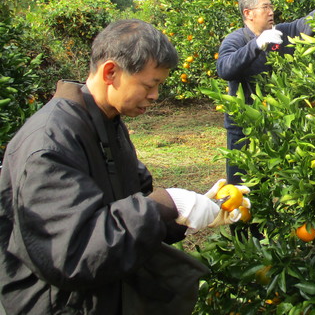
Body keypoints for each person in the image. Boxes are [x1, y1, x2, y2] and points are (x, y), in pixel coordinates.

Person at [0, 19, 248, 315]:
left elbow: (129, 206)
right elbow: (72, 252)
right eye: (150, 84)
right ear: (111, 73)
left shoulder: (106, 122)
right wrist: (166, 204)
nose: (155, 96)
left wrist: (182, 216)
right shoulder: (51, 143)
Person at [217, 0, 315, 185]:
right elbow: (224, 68)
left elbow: (306, 23)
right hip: (244, 130)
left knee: (271, 185)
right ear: (248, 13)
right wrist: (256, 45)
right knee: (240, 190)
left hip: (276, 125)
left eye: (271, 7)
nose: (271, 12)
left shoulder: (280, 34)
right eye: (265, 7)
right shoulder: (236, 40)